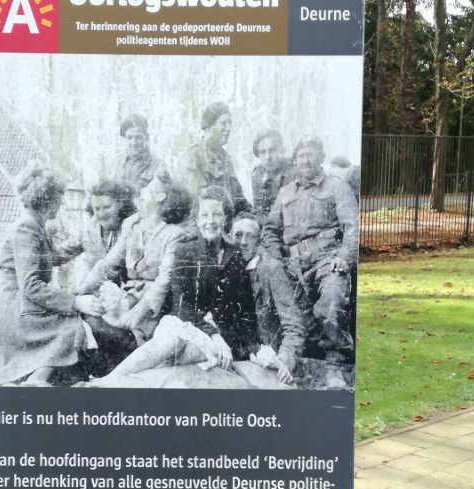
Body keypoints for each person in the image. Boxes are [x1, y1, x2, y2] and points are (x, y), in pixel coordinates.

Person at [87, 186, 257, 384]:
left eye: (217, 214)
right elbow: (183, 308)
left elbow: (244, 311)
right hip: (191, 329)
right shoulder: (186, 251)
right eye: (204, 215)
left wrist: (243, 347)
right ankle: (109, 380)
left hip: (220, 343)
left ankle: (108, 381)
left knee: (170, 348)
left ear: (227, 218)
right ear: (197, 219)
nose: (210, 221)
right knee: (172, 336)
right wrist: (214, 335)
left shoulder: (235, 256)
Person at [0, 164, 97, 386]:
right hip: (14, 305)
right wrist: (75, 302)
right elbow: (30, 285)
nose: (62, 203)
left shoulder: (35, 226)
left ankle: (37, 378)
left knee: (68, 323)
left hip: (17, 301)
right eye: (59, 197)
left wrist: (84, 241)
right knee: (69, 324)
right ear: (46, 199)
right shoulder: (26, 228)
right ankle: (37, 380)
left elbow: (51, 258)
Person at [263, 137, 358, 386]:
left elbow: (352, 227)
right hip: (293, 266)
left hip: (327, 259)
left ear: (321, 158)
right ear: (294, 161)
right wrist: (277, 260)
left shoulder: (336, 186)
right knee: (288, 311)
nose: (305, 160)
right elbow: (270, 231)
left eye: (310, 154)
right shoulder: (285, 193)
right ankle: (286, 360)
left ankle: (334, 367)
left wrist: (344, 257)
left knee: (333, 295)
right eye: (301, 156)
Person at [80, 173, 192, 346]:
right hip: (126, 299)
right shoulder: (131, 226)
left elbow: (164, 281)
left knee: (104, 332)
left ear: (160, 196)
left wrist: (138, 312)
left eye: (148, 188)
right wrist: (79, 293)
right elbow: (107, 265)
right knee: (84, 319)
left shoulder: (174, 234)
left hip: (152, 309)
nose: (142, 191)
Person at [231, 216, 305, 385]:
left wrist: (284, 360)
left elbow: (293, 325)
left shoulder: (271, 269)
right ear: (229, 236)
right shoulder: (225, 269)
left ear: (259, 241)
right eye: (238, 235)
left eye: (250, 236)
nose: (243, 242)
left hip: (264, 360)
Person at [183, 102, 250, 219]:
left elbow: (239, 199)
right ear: (209, 127)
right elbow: (199, 200)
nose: (228, 128)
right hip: (205, 222)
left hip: (225, 219)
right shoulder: (194, 156)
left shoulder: (225, 157)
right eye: (223, 123)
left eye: (230, 123)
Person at [251, 130, 294, 222]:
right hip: (269, 225)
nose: (268, 157)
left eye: (272, 150)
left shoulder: (295, 171)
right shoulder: (258, 173)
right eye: (263, 152)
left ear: (282, 150)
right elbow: (259, 210)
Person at [118, 114, 165, 192]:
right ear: (124, 138)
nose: (134, 143)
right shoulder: (115, 164)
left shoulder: (158, 165)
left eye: (138, 137)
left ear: (146, 137)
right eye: (129, 138)